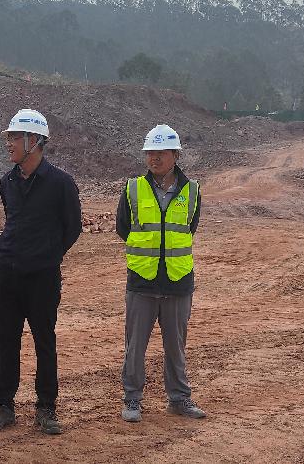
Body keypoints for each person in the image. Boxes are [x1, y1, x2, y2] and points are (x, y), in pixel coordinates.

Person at [0, 109, 82, 435]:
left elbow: (73, 227)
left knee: (44, 341)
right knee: (6, 341)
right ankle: (3, 406)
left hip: (42, 277)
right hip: (8, 274)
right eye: (9, 137)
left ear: (34, 140)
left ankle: (46, 408)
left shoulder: (61, 183)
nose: (8, 143)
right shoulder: (6, 182)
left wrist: (48, 255)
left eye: (14, 137)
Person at [116, 124, 206, 423]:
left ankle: (179, 399)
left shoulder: (192, 191)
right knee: (135, 347)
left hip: (178, 281)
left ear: (175, 155)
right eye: (150, 153)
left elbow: (190, 227)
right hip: (142, 280)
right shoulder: (133, 189)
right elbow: (123, 228)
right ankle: (132, 398)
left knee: (175, 347)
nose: (154, 158)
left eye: (161, 152)